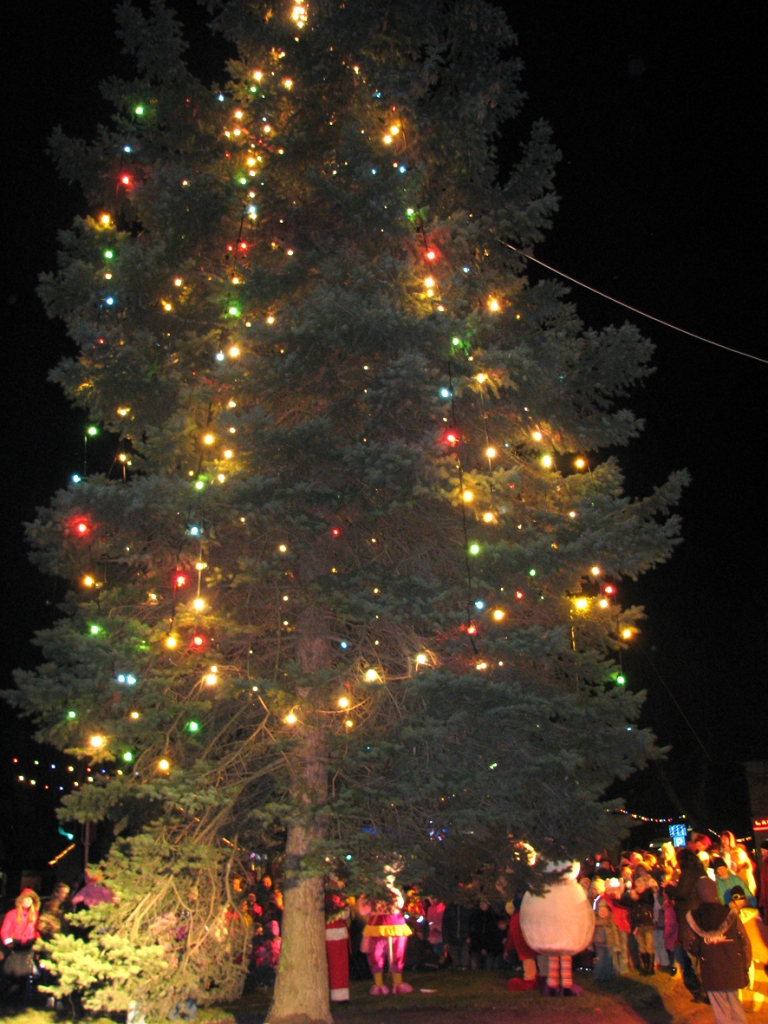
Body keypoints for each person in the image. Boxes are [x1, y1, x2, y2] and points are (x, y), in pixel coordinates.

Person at [686, 876, 751, 1024]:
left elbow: (691, 945)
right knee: (735, 1005)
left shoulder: (694, 918)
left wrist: (707, 948)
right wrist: (745, 966)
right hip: (732, 968)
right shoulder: (730, 914)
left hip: (711, 970)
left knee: (720, 1009)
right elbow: (744, 941)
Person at [666, 846, 707, 1002]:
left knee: (693, 954)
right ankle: (706, 989)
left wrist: (670, 888)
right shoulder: (700, 871)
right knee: (699, 955)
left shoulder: (688, 872)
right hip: (699, 915)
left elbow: (682, 892)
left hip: (689, 917)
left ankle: (701, 990)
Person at [468, 900, 503, 970]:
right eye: (481, 903)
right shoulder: (475, 915)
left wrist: (487, 948)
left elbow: (493, 934)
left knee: (488, 968)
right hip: (476, 948)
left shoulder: (492, 916)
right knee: (475, 967)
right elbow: (474, 934)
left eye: (484, 903)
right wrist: (479, 948)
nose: (482, 905)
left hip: (489, 949)